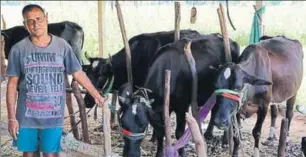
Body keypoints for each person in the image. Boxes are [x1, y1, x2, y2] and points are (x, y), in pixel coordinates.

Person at [6, 4, 104, 157]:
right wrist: (12, 118)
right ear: (25, 25)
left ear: (46, 18)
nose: (35, 24)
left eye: (38, 18)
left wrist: (95, 94)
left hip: (53, 116)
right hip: (26, 116)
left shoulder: (62, 46)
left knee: (51, 154)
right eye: (30, 21)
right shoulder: (18, 49)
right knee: (29, 154)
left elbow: (77, 72)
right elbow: (12, 85)